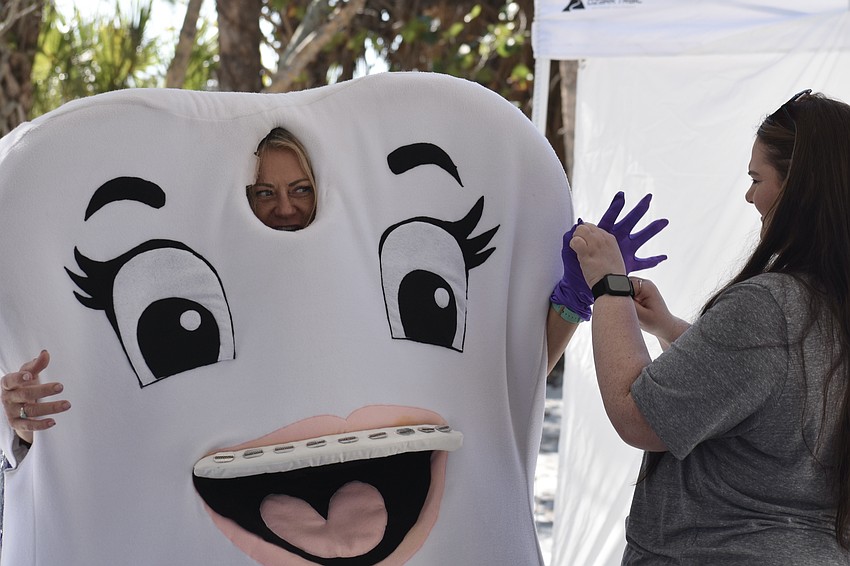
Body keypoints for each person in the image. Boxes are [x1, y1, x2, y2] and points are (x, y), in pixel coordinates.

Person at [1, 126, 667, 454]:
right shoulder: (190, 293)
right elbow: (109, 417)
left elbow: (499, 387)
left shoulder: (373, 282)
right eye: (264, 193)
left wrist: (577, 303)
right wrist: (25, 427)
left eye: (299, 191)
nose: (284, 207)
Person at [570, 90, 850, 563]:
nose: (749, 195)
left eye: (756, 178)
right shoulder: (828, 303)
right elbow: (771, 389)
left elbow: (638, 415)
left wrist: (608, 284)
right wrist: (671, 329)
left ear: (796, 186)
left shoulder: (769, 306)